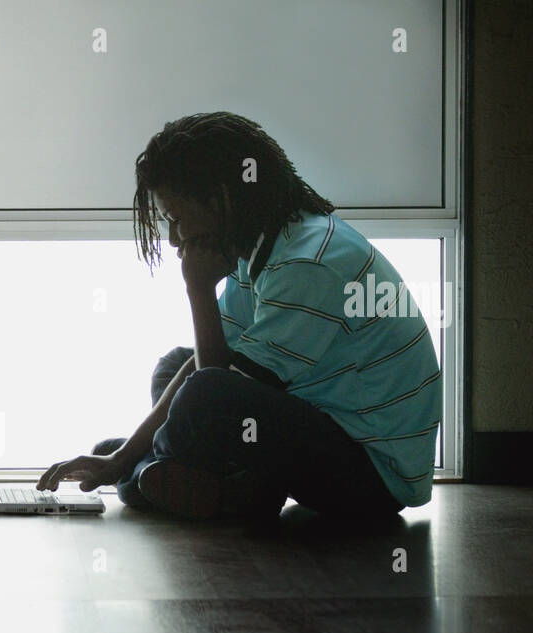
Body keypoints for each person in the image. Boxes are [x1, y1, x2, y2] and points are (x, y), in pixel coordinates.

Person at [36, 112, 442, 519]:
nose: (175, 239)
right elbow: (207, 363)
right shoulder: (264, 247)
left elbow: (215, 388)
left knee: (205, 393)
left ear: (223, 198)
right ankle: (201, 482)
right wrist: (121, 458)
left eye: (176, 219)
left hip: (372, 477)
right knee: (175, 365)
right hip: (322, 428)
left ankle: (201, 483)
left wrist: (197, 289)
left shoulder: (309, 262)